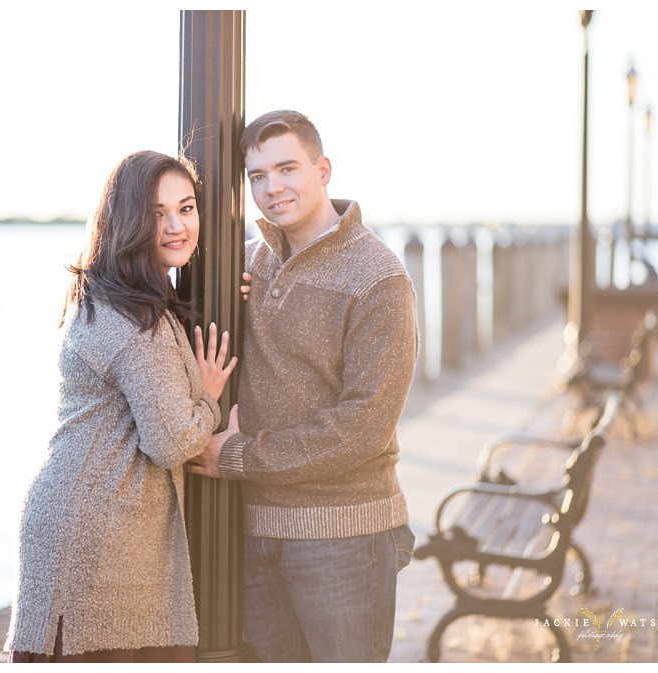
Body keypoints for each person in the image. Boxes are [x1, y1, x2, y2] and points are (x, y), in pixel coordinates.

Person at [186, 110, 419, 662]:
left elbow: (361, 427)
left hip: (343, 536)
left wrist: (238, 457)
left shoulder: (378, 278)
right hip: (253, 531)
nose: (272, 187)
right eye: (257, 176)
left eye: (287, 168)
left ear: (324, 169)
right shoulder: (249, 264)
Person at [4, 150, 238, 663]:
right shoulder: (135, 318)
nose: (177, 225)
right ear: (128, 221)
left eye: (187, 207)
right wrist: (209, 400)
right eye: (157, 214)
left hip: (91, 509)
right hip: (99, 524)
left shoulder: (116, 294)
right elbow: (172, 440)